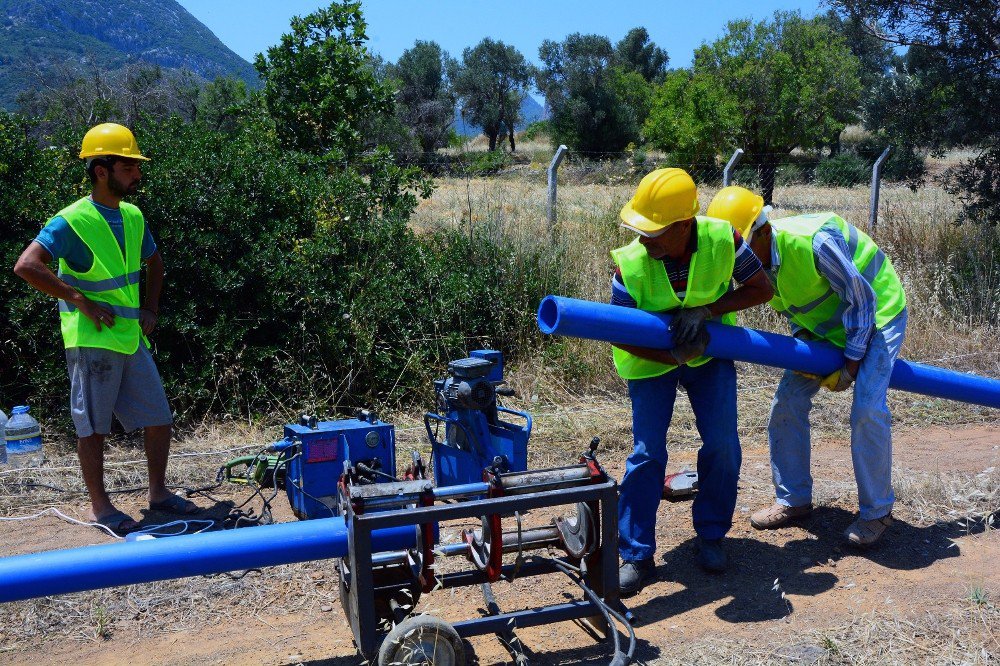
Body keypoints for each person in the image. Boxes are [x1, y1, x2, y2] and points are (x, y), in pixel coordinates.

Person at [13, 123, 197, 535]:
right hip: (91, 341)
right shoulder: (71, 220)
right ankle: (100, 507)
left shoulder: (132, 215)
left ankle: (158, 493)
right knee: (93, 427)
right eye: (129, 166)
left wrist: (150, 307)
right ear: (101, 169)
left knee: (159, 417)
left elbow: (156, 263)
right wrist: (79, 299)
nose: (137, 174)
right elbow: (26, 266)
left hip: (130, 337)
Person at [707, 186, 907, 548]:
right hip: (828, 330)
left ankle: (877, 512)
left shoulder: (812, 243)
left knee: (866, 408)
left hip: (878, 315)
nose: (736, 261)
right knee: (786, 404)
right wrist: (808, 353)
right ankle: (793, 500)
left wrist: (850, 364)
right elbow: (795, 311)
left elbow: (861, 299)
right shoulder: (760, 265)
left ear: (763, 231)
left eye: (740, 247)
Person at [612, 168, 773, 595]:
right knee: (648, 454)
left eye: (654, 231)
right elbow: (619, 331)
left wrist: (707, 310)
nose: (644, 240)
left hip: (710, 354)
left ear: (684, 226)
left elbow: (762, 288)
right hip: (650, 362)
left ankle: (712, 535)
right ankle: (635, 553)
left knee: (722, 444)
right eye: (640, 230)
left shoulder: (726, 241)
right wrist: (671, 354)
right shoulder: (629, 262)